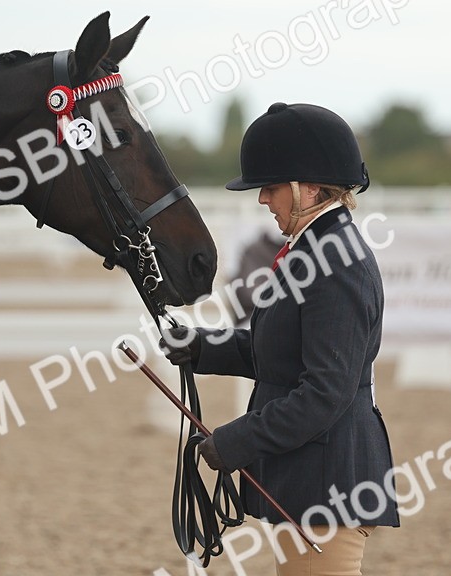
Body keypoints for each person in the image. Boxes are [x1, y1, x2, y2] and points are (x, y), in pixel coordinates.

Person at [163, 102, 399, 576]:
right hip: (311, 479)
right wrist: (202, 346)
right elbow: (279, 353)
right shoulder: (310, 251)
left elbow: (324, 392)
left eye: (270, 188)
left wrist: (237, 441)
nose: (262, 200)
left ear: (308, 187)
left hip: (329, 485)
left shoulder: (337, 266)